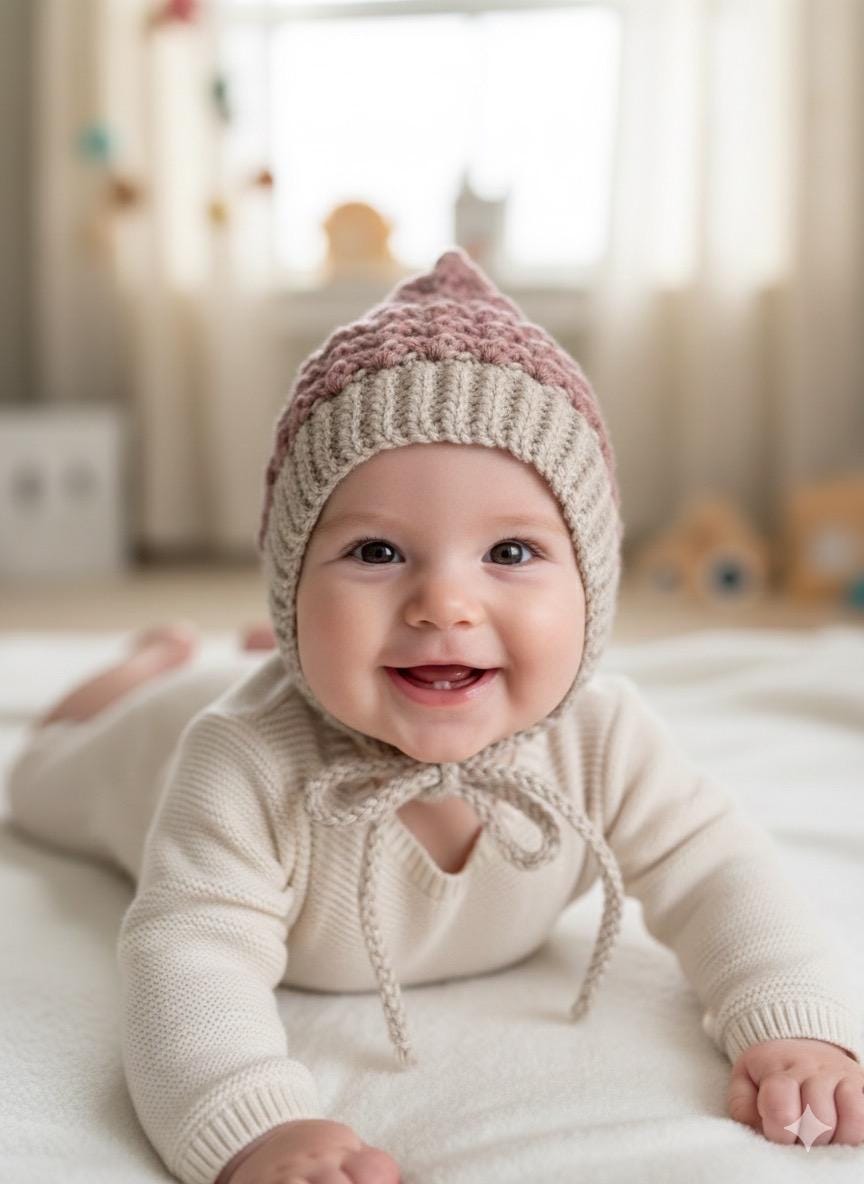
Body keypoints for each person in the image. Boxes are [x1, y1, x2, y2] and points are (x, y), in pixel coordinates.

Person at [6, 248, 863, 1184]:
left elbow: (720, 871)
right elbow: (187, 961)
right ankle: (143, 664)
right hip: (146, 747)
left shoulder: (603, 738)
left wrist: (790, 1021)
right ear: (293, 580)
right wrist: (253, 1126)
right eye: (376, 550)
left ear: (592, 590)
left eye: (510, 550)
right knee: (38, 774)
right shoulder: (241, 759)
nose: (444, 604)